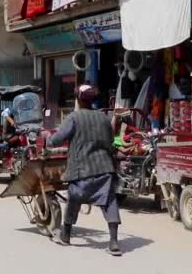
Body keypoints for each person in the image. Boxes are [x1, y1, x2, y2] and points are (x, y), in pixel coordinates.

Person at [46, 84, 122, 256]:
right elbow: (111, 141)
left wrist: (47, 140)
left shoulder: (74, 117)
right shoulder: (104, 118)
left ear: (79, 100)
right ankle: (114, 242)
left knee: (74, 198)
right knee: (109, 202)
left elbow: (57, 139)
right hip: (105, 168)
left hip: (82, 169)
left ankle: (65, 235)